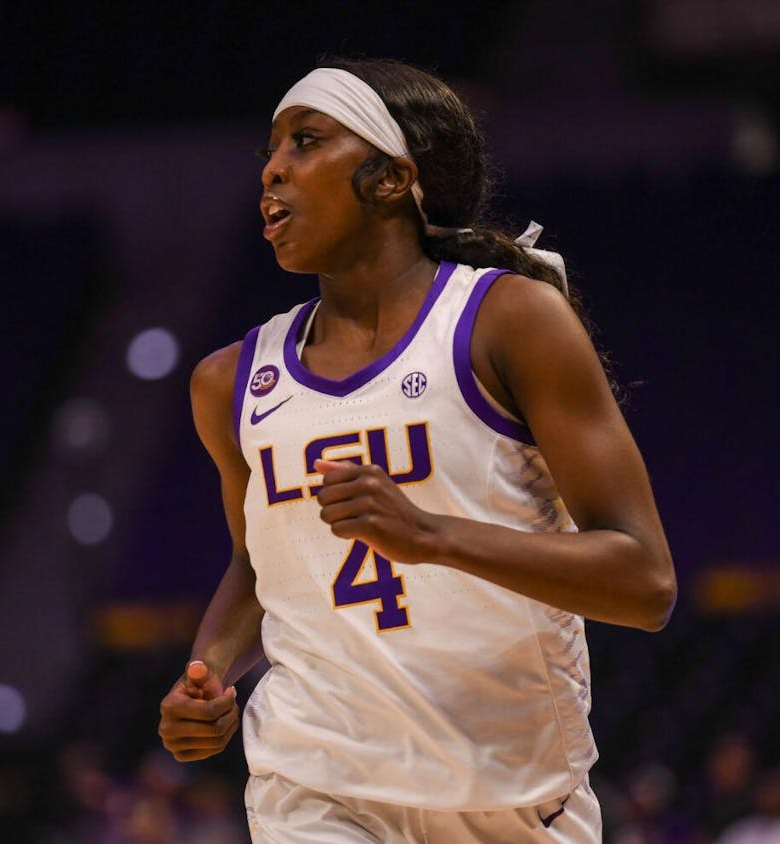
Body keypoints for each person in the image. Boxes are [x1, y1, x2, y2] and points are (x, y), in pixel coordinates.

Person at [156, 58, 676, 843]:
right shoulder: (228, 382)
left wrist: (432, 536)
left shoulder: (511, 321)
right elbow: (258, 565)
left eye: (306, 141)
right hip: (317, 787)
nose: (272, 169)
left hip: (512, 790)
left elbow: (644, 582)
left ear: (392, 178)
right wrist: (209, 673)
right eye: (272, 149)